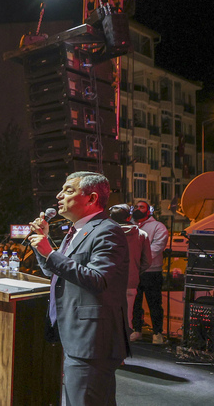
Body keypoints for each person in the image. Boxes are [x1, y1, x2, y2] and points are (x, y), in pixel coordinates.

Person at [28, 171, 129, 406]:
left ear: (92, 198)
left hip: (91, 340)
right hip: (76, 335)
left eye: (68, 190)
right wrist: (43, 245)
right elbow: (55, 272)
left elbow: (98, 279)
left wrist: (50, 253)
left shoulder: (107, 230)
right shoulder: (75, 230)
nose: (59, 195)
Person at [109, 204, 152, 341]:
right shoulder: (142, 234)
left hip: (109, 281)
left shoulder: (106, 233)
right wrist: (135, 270)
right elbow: (147, 261)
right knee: (127, 319)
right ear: (129, 217)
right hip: (131, 281)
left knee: (109, 319)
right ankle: (123, 349)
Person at [131, 200, 169, 344]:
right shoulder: (131, 226)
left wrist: (138, 259)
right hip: (135, 271)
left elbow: (157, 247)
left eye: (141, 207)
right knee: (135, 303)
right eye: (136, 206)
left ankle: (157, 333)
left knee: (154, 303)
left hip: (151, 272)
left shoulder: (158, 226)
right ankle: (137, 330)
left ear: (148, 211)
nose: (138, 209)